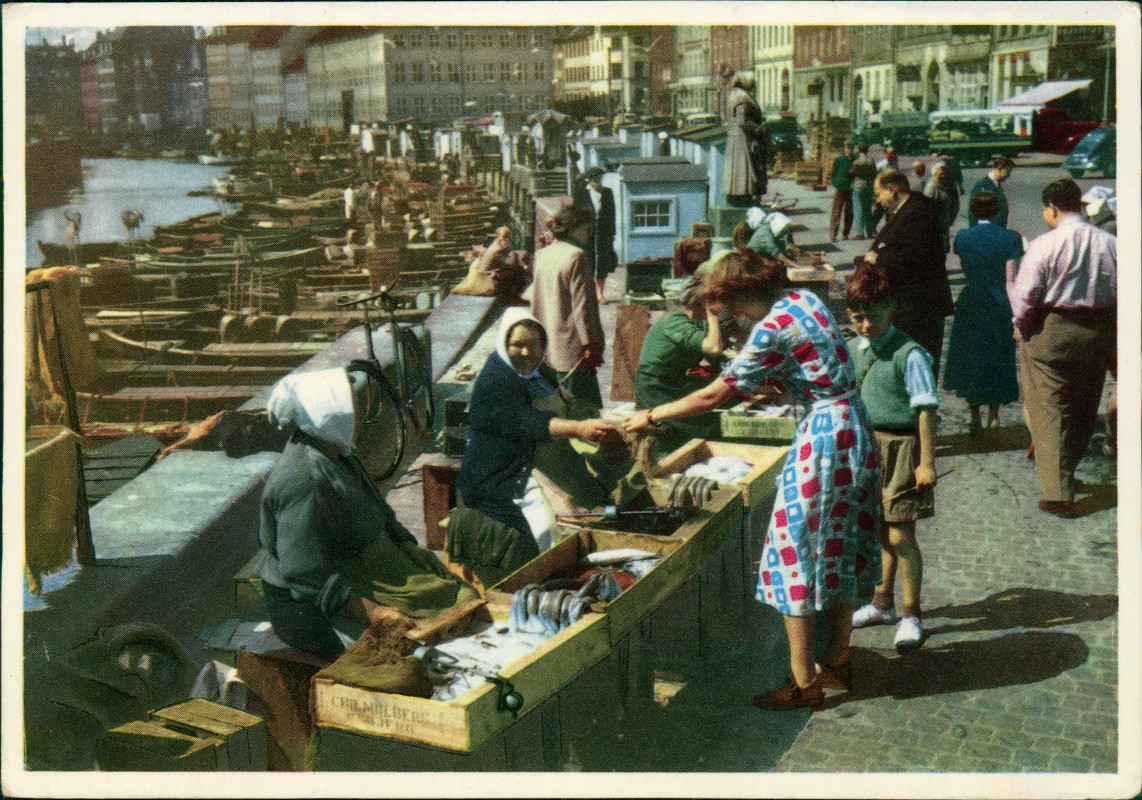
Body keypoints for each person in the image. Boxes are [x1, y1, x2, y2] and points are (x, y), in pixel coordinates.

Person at [623, 250, 882, 709]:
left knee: (793, 552)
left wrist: (651, 414)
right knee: (840, 545)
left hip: (825, 436)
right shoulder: (803, 300)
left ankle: (804, 683)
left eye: (725, 302)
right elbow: (804, 367)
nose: (727, 312)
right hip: (853, 424)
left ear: (738, 295)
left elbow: (713, 395)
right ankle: (838, 660)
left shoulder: (771, 326)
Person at [256, 367, 477, 661]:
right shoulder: (305, 480)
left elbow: (381, 514)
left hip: (363, 566)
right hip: (309, 605)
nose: (360, 415)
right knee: (413, 641)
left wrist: (408, 548)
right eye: (353, 408)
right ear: (329, 414)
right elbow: (305, 574)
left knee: (460, 596)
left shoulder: (337, 453)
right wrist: (375, 613)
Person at [456, 309, 615, 557]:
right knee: (552, 528)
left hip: (545, 461)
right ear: (503, 343)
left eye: (534, 344)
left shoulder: (540, 372)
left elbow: (566, 402)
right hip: (503, 475)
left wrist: (602, 424)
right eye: (517, 345)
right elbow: (526, 422)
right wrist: (578, 428)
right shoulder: (495, 380)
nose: (527, 352)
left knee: (601, 502)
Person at [1009, 178, 1116, 518]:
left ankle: (1057, 492)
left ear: (1052, 209)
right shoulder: (1110, 243)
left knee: (1049, 408)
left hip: (1052, 329)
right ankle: (1066, 470)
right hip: (1098, 330)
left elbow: (1025, 296)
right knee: (1085, 405)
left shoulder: (1044, 244)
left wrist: (1022, 326)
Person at [845, 265, 940, 650]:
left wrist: (926, 462)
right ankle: (881, 603)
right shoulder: (853, 349)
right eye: (858, 318)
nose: (866, 325)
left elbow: (926, 409)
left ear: (891, 308)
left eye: (873, 315)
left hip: (902, 448)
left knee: (900, 534)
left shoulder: (910, 354)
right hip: (867, 448)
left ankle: (911, 614)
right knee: (879, 530)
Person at [856, 168, 953, 378]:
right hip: (909, 304)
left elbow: (914, 256)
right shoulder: (908, 209)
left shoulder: (919, 211)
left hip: (919, 307)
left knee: (918, 365)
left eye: (879, 194)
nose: (877, 200)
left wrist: (878, 258)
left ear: (893, 189)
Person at [943, 191, 1024, 434]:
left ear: (973, 211)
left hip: (972, 300)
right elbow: (1010, 278)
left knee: (973, 357)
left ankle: (974, 415)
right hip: (999, 302)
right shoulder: (1011, 238)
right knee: (998, 357)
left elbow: (966, 265)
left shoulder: (963, 236)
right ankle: (995, 415)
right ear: (997, 210)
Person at [634, 277, 728, 456]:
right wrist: (712, 315)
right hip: (654, 386)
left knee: (710, 414)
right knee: (697, 428)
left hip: (675, 383)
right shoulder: (675, 321)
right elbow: (714, 348)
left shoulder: (699, 323)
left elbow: (717, 359)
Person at [531, 204, 606, 409]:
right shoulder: (577, 256)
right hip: (573, 350)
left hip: (546, 347)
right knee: (581, 412)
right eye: (587, 228)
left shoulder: (542, 254)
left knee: (554, 409)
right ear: (574, 228)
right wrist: (590, 344)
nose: (589, 233)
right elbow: (583, 307)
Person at [723, 71, 768, 206]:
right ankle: (744, 196)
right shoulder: (742, 97)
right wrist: (759, 129)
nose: (754, 85)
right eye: (752, 82)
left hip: (736, 138)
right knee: (745, 169)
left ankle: (739, 196)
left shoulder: (734, 94)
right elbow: (743, 121)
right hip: (743, 139)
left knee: (737, 170)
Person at [580, 166, 618, 305]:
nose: (599, 181)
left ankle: (600, 293)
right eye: (596, 178)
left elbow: (612, 214)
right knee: (587, 261)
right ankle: (588, 293)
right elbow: (577, 214)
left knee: (602, 262)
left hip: (603, 233)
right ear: (590, 179)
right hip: (587, 234)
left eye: (600, 178)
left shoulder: (607, 192)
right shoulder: (582, 193)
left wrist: (612, 234)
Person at [476, 226, 531, 301]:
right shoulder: (497, 249)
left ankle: (515, 295)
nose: (507, 239)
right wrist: (511, 251)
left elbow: (514, 257)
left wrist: (524, 266)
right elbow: (511, 263)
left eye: (508, 237)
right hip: (487, 278)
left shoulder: (498, 244)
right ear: (497, 237)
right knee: (516, 270)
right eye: (504, 237)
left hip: (493, 273)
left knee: (520, 263)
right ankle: (512, 297)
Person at [744, 206, 801, 270]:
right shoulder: (765, 232)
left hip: (761, 256)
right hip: (753, 259)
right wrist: (793, 264)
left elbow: (786, 245)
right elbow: (774, 251)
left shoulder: (768, 229)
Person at [968, 155, 1014, 227]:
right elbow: (973, 213)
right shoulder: (983, 186)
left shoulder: (996, 185)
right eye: (1007, 171)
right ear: (999, 169)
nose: (1008, 175)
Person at [923, 161, 958, 256]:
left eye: (945, 173)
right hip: (935, 226)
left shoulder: (942, 185)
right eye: (941, 174)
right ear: (934, 173)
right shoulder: (932, 187)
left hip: (943, 223)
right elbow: (927, 208)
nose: (943, 176)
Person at [849, 143, 878, 238]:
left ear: (859, 150)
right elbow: (875, 173)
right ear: (867, 150)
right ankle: (870, 231)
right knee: (868, 209)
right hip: (868, 186)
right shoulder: (871, 160)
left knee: (858, 209)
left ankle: (860, 232)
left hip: (858, 185)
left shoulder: (856, 161)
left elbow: (851, 172)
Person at [829, 140, 855, 241]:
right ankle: (833, 234)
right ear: (844, 148)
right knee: (836, 212)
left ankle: (845, 233)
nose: (849, 150)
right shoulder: (840, 159)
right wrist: (835, 184)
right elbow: (833, 173)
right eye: (848, 148)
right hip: (840, 188)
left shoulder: (854, 159)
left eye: (851, 148)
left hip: (850, 188)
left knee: (849, 212)